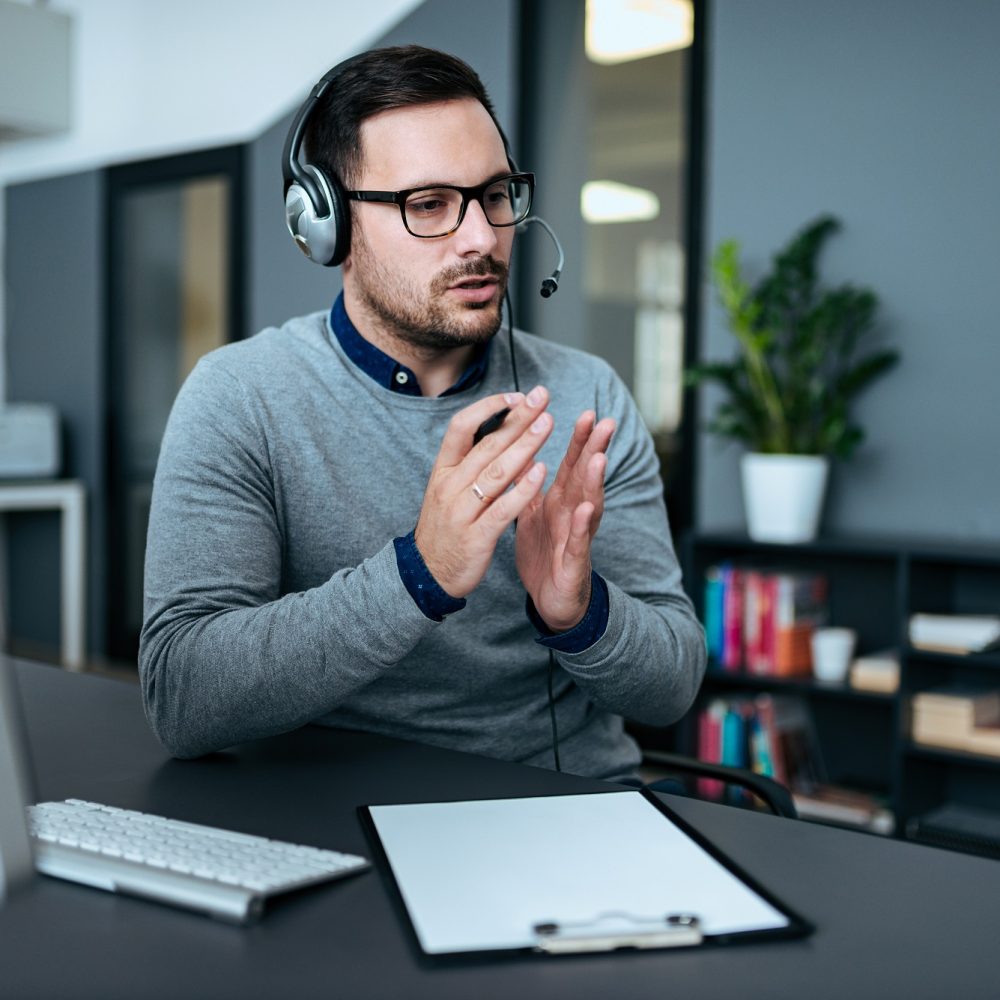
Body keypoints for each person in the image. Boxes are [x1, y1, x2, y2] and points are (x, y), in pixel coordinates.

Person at [139, 45, 705, 781]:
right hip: (322, 819)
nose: (481, 238)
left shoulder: (587, 395)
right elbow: (183, 699)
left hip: (563, 810)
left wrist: (580, 612)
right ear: (330, 225)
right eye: (428, 204)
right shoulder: (239, 398)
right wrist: (419, 574)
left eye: (496, 195)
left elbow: (671, 690)